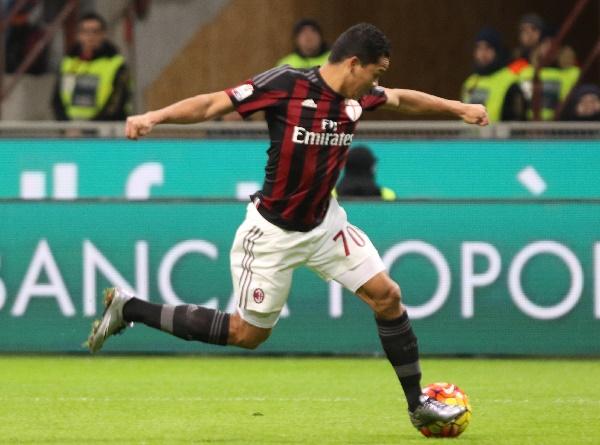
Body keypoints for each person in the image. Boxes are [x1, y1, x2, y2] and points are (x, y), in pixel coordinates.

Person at [86, 23, 487, 431]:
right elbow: (212, 104)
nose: (376, 83)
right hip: (272, 234)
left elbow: (402, 99)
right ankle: (130, 308)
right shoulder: (286, 84)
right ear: (353, 64)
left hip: (325, 225)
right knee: (247, 334)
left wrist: (459, 108)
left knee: (387, 296)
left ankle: (418, 404)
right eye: (375, 73)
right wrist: (154, 117)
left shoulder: (358, 96)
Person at [52, 12, 131, 121]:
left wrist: (91, 126)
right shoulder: (67, 63)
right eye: (85, 32)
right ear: (78, 35)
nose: (90, 37)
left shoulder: (116, 64)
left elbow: (116, 103)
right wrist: (65, 125)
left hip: (107, 128)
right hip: (72, 127)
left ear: (103, 35)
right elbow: (57, 100)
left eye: (95, 32)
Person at [462, 27, 526, 122]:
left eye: (488, 48)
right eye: (479, 48)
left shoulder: (510, 81)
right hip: (470, 132)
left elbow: (516, 120)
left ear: (497, 51)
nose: (483, 53)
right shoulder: (470, 82)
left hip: (499, 132)